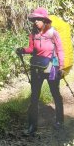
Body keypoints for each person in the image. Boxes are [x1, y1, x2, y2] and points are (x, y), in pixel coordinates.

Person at [16, 7, 65, 135]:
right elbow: (32, 49)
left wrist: (61, 67)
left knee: (55, 93)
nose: (36, 21)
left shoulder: (53, 33)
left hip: (52, 67)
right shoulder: (33, 34)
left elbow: (60, 50)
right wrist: (23, 50)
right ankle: (32, 126)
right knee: (34, 96)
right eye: (35, 19)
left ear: (44, 20)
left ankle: (59, 120)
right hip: (37, 67)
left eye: (38, 19)